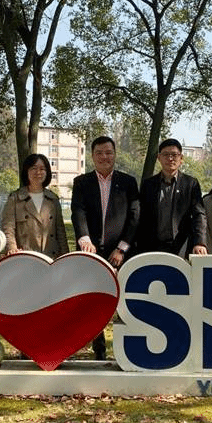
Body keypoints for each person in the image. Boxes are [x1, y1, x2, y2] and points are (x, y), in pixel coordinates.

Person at [71, 136, 140, 360]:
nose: (104, 157)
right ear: (92, 156)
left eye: (109, 152)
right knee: (93, 300)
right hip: (91, 251)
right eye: (99, 153)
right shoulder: (82, 182)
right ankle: (98, 347)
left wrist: (122, 248)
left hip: (119, 252)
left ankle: (125, 350)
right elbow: (78, 212)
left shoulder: (128, 182)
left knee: (122, 299)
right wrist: (84, 239)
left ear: (115, 154)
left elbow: (134, 217)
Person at [137, 138, 207, 257]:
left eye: (174, 155)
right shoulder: (148, 184)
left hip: (181, 246)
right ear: (159, 158)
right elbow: (141, 217)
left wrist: (200, 242)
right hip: (152, 246)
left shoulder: (190, 184)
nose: (170, 159)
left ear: (181, 158)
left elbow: (199, 214)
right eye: (166, 155)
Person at [1, 153, 68, 258]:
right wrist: (11, 248)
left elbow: (60, 232)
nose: (38, 172)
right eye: (34, 168)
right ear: (26, 171)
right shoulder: (15, 198)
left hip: (50, 258)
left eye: (42, 169)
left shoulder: (53, 199)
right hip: (24, 256)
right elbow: (8, 228)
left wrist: (65, 256)